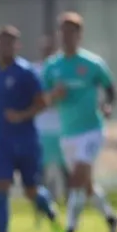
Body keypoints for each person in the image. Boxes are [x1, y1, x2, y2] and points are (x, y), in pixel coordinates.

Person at [0, 26, 64, 232]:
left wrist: (21, 116)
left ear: (17, 46)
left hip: (26, 140)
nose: (5, 47)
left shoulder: (26, 72)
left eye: (10, 43)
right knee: (1, 188)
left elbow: (42, 102)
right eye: (1, 42)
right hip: (1, 142)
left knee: (31, 190)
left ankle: (54, 219)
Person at [43, 12, 117, 232]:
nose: (67, 37)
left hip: (91, 130)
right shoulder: (52, 66)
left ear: (79, 35)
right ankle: (111, 218)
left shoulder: (92, 64)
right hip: (68, 134)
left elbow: (110, 90)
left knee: (75, 180)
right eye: (63, 32)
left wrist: (108, 106)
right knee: (85, 187)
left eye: (72, 32)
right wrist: (54, 95)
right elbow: (44, 99)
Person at [33, 35, 68, 207]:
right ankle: (44, 210)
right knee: (41, 175)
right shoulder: (35, 71)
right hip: (42, 130)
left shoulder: (63, 70)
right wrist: (52, 96)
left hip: (63, 129)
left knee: (67, 171)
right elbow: (37, 100)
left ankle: (71, 209)